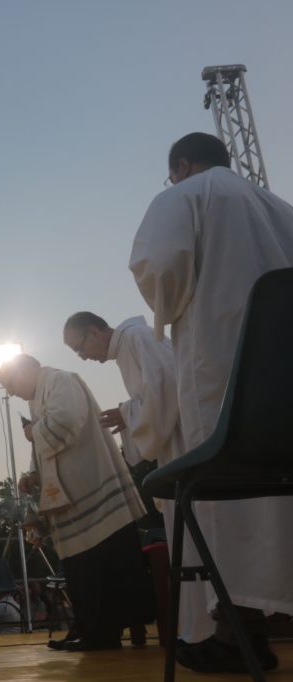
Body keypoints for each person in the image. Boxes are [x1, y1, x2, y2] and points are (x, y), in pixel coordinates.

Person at [130, 131, 293, 673]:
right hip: (285, 399)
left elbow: (162, 278)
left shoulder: (183, 197)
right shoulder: (282, 208)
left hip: (225, 381)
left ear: (181, 165)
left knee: (223, 499)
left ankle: (236, 629)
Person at [63, 311, 213, 645]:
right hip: (177, 446)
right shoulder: (132, 344)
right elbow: (158, 394)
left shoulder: (136, 339)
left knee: (196, 539)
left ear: (94, 331)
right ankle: (204, 631)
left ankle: (209, 633)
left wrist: (129, 413)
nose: (83, 356)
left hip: (185, 446)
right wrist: (131, 413)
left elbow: (169, 388)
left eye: (79, 347)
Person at [0, 354, 151, 651]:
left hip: (89, 486)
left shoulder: (60, 380)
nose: (11, 392)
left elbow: (67, 422)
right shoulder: (37, 396)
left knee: (104, 560)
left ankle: (104, 632)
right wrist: (32, 474)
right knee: (82, 566)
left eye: (11, 383)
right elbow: (41, 446)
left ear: (27, 369)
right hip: (71, 496)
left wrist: (33, 432)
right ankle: (92, 627)